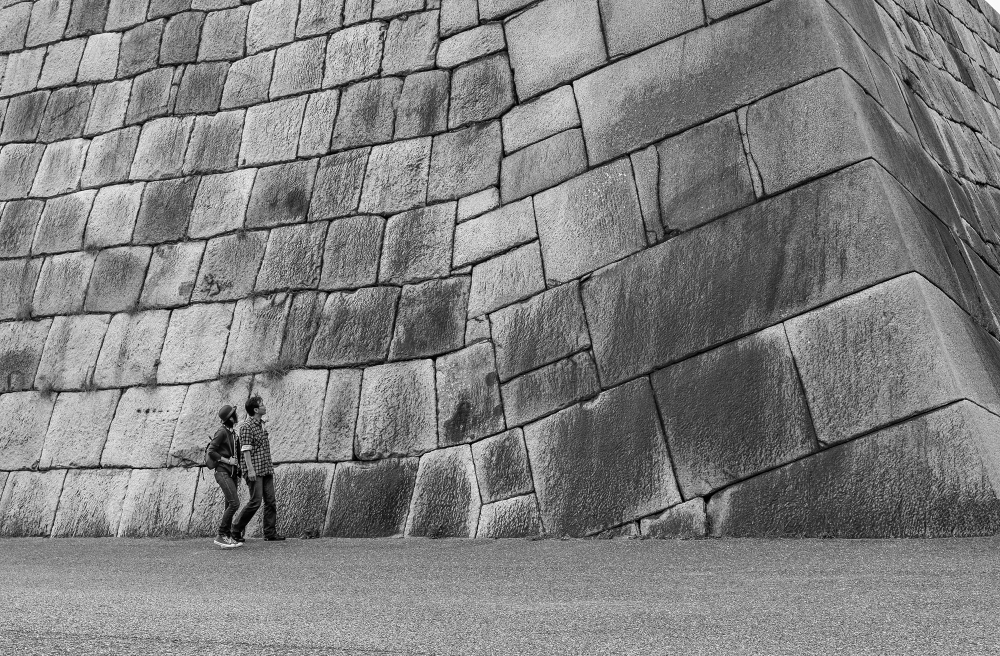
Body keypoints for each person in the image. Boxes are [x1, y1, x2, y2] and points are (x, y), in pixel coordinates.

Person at [231, 395, 285, 543]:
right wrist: (250, 470)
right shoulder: (246, 427)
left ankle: (270, 532)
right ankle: (235, 528)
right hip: (254, 469)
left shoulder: (261, 424)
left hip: (265, 467)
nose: (264, 406)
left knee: (271, 501)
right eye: (262, 404)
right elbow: (245, 450)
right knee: (255, 501)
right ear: (255, 409)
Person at [208, 405, 243, 549]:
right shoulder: (222, 432)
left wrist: (239, 469)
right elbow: (211, 451)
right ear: (230, 418)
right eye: (234, 414)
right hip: (222, 472)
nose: (237, 415)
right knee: (235, 503)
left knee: (229, 504)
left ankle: (227, 536)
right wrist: (228, 461)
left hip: (232, 473)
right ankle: (221, 534)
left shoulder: (233, 433)